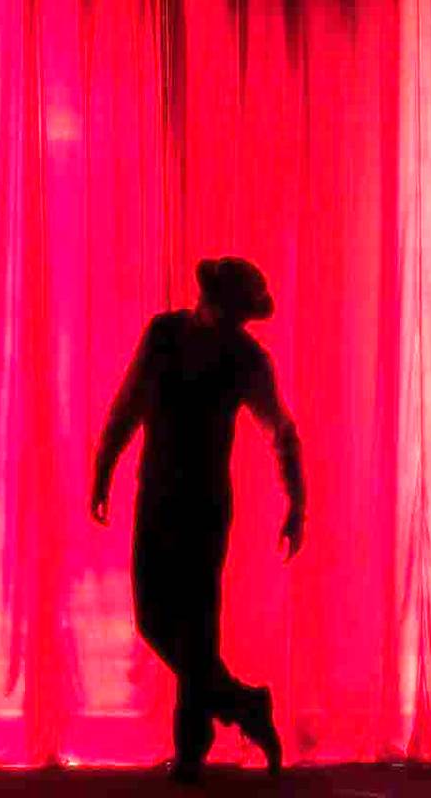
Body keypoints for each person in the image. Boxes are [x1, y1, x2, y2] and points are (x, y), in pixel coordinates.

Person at [91, 257, 306, 783]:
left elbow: (280, 430)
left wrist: (296, 500)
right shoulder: (163, 335)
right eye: (228, 309)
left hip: (205, 503)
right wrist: (104, 465)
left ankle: (192, 751)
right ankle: (243, 706)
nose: (232, 321)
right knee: (156, 619)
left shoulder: (245, 357)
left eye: (239, 315)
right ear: (208, 299)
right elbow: (129, 404)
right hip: (158, 493)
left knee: (196, 626)